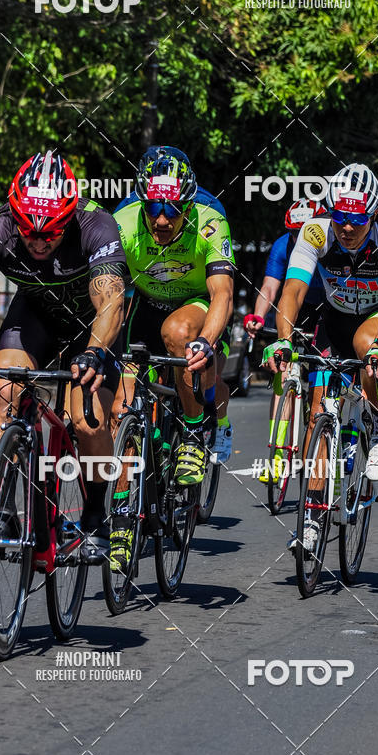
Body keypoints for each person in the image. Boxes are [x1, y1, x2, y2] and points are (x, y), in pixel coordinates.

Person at [0, 150, 126, 566]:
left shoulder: (97, 224)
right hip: (34, 316)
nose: (37, 241)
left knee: (88, 422)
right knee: (0, 392)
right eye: (29, 232)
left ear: (68, 218)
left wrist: (94, 351)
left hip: (92, 327)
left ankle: (94, 515)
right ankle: (5, 510)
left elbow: (110, 299)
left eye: (50, 233)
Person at [110, 145, 235, 570]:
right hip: (145, 305)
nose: (162, 219)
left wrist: (206, 342)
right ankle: (123, 519)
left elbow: (222, 293)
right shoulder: (123, 222)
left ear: (188, 204)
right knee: (120, 408)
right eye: (154, 208)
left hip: (196, 306)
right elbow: (105, 289)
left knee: (177, 334)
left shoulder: (211, 220)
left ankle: (197, 429)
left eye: (173, 209)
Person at [263, 163, 378, 487]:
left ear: (374, 214)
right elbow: (293, 290)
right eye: (340, 217)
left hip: (375, 318)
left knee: (368, 349)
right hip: (334, 319)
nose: (347, 228)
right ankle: (312, 514)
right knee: (318, 412)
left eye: (358, 219)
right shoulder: (316, 231)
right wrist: (283, 339)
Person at [243, 200, 327, 485]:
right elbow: (270, 287)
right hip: (295, 308)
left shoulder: (328, 241)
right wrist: (257, 315)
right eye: (293, 232)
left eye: (304, 230)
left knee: (322, 381)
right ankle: (277, 457)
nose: (298, 237)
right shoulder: (283, 246)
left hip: (326, 309)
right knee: (282, 375)